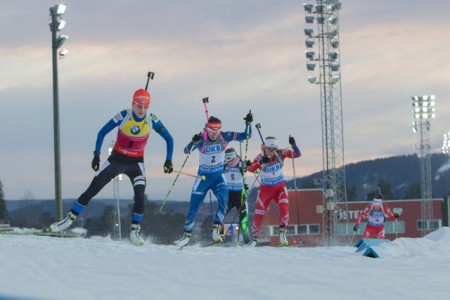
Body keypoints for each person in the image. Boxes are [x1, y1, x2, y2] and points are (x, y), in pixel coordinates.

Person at [49, 88, 174, 246]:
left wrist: (168, 160)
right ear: (133, 104)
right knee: (93, 188)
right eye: (139, 106)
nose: (142, 110)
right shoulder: (123, 115)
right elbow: (102, 132)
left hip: (136, 163)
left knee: (140, 195)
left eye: (145, 107)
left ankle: (134, 230)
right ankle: (68, 220)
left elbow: (169, 139)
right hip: (116, 159)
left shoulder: (152, 119)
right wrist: (96, 155)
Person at [174, 113, 252, 247]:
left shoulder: (225, 136)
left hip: (218, 177)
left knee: (224, 200)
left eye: (216, 131)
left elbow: (247, 136)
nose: (214, 134)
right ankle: (186, 235)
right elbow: (186, 150)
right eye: (211, 131)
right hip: (203, 178)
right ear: (207, 129)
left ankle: (216, 230)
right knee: (194, 207)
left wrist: (248, 124)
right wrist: (193, 141)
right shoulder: (201, 139)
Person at [247, 136, 301, 246]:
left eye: (274, 149)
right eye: (269, 150)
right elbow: (250, 169)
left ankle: (282, 234)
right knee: (259, 213)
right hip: (265, 190)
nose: (272, 152)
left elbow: (297, 154)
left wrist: (294, 145)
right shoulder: (260, 157)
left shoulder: (281, 153)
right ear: (264, 148)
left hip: (279, 188)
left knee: (284, 208)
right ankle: (254, 239)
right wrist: (260, 163)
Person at [221, 147, 252, 245]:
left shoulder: (241, 164)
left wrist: (250, 165)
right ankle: (219, 236)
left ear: (235, 157)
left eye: (231, 159)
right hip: (228, 195)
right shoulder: (224, 165)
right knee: (220, 217)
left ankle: (247, 240)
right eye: (227, 159)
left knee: (243, 220)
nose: (230, 162)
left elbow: (255, 171)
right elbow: (216, 174)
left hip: (240, 196)